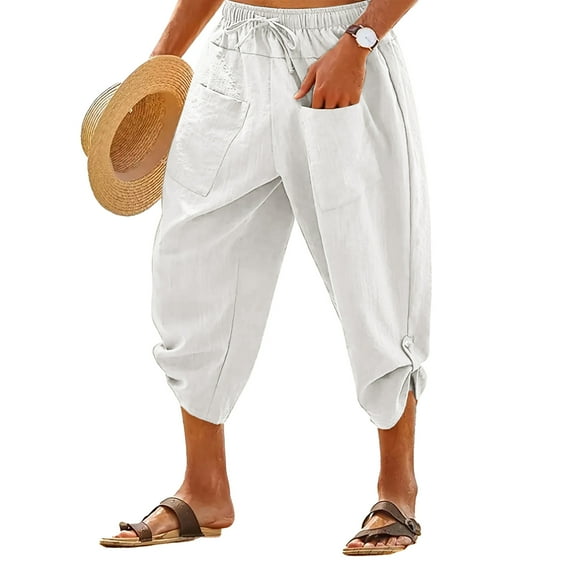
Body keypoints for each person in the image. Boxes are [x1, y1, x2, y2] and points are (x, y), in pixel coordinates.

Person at [99, 0, 431, 555]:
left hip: (340, 47)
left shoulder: (353, 45)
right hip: (233, 54)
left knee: (372, 265)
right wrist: (158, 68)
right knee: (189, 261)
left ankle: (398, 488)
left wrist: (361, 41)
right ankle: (204, 488)